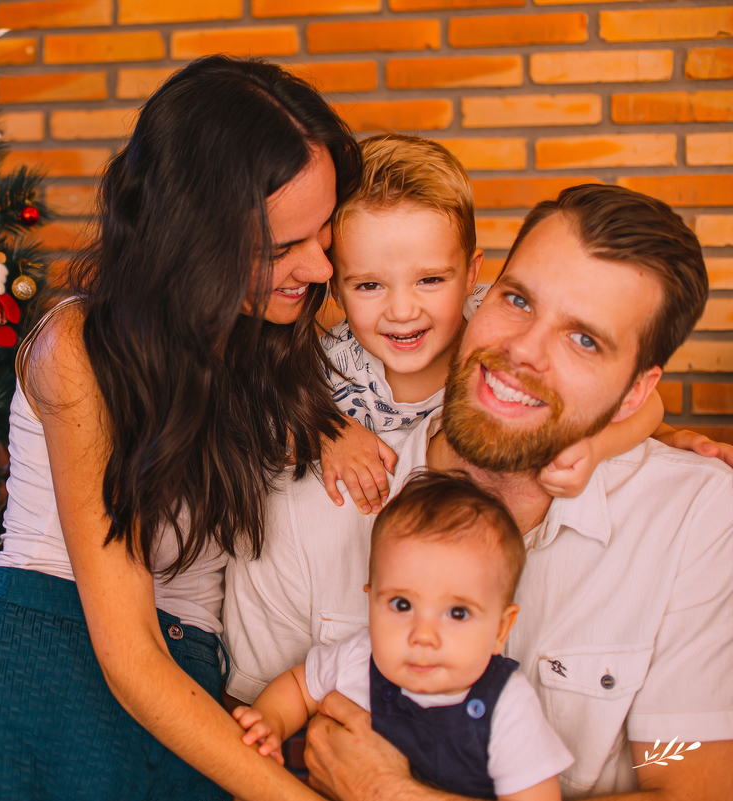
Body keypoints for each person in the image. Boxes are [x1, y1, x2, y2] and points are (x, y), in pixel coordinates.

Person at [0, 56, 361, 800]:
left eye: (326, 231)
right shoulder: (78, 347)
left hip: (190, 696)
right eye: (283, 248)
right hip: (36, 694)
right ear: (195, 237)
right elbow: (131, 653)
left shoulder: (270, 350)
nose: (321, 267)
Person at [223, 183, 733, 800]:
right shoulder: (307, 507)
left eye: (584, 339)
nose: (522, 350)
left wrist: (394, 794)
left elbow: (690, 784)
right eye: (517, 300)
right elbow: (250, 759)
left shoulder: (695, 518)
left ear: (635, 394)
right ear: (482, 294)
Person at [318, 134, 721, 516]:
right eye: (369, 285)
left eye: (430, 280)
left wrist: (608, 444)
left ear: (471, 275)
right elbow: (280, 418)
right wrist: (329, 431)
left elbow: (644, 402)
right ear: (335, 288)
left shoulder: (498, 316)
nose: (403, 310)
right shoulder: (327, 366)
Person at [233, 472, 574, 801]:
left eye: (457, 613)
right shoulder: (358, 657)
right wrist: (271, 721)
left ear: (500, 629)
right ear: (372, 603)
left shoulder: (509, 707)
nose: (423, 635)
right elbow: (299, 686)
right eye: (402, 604)